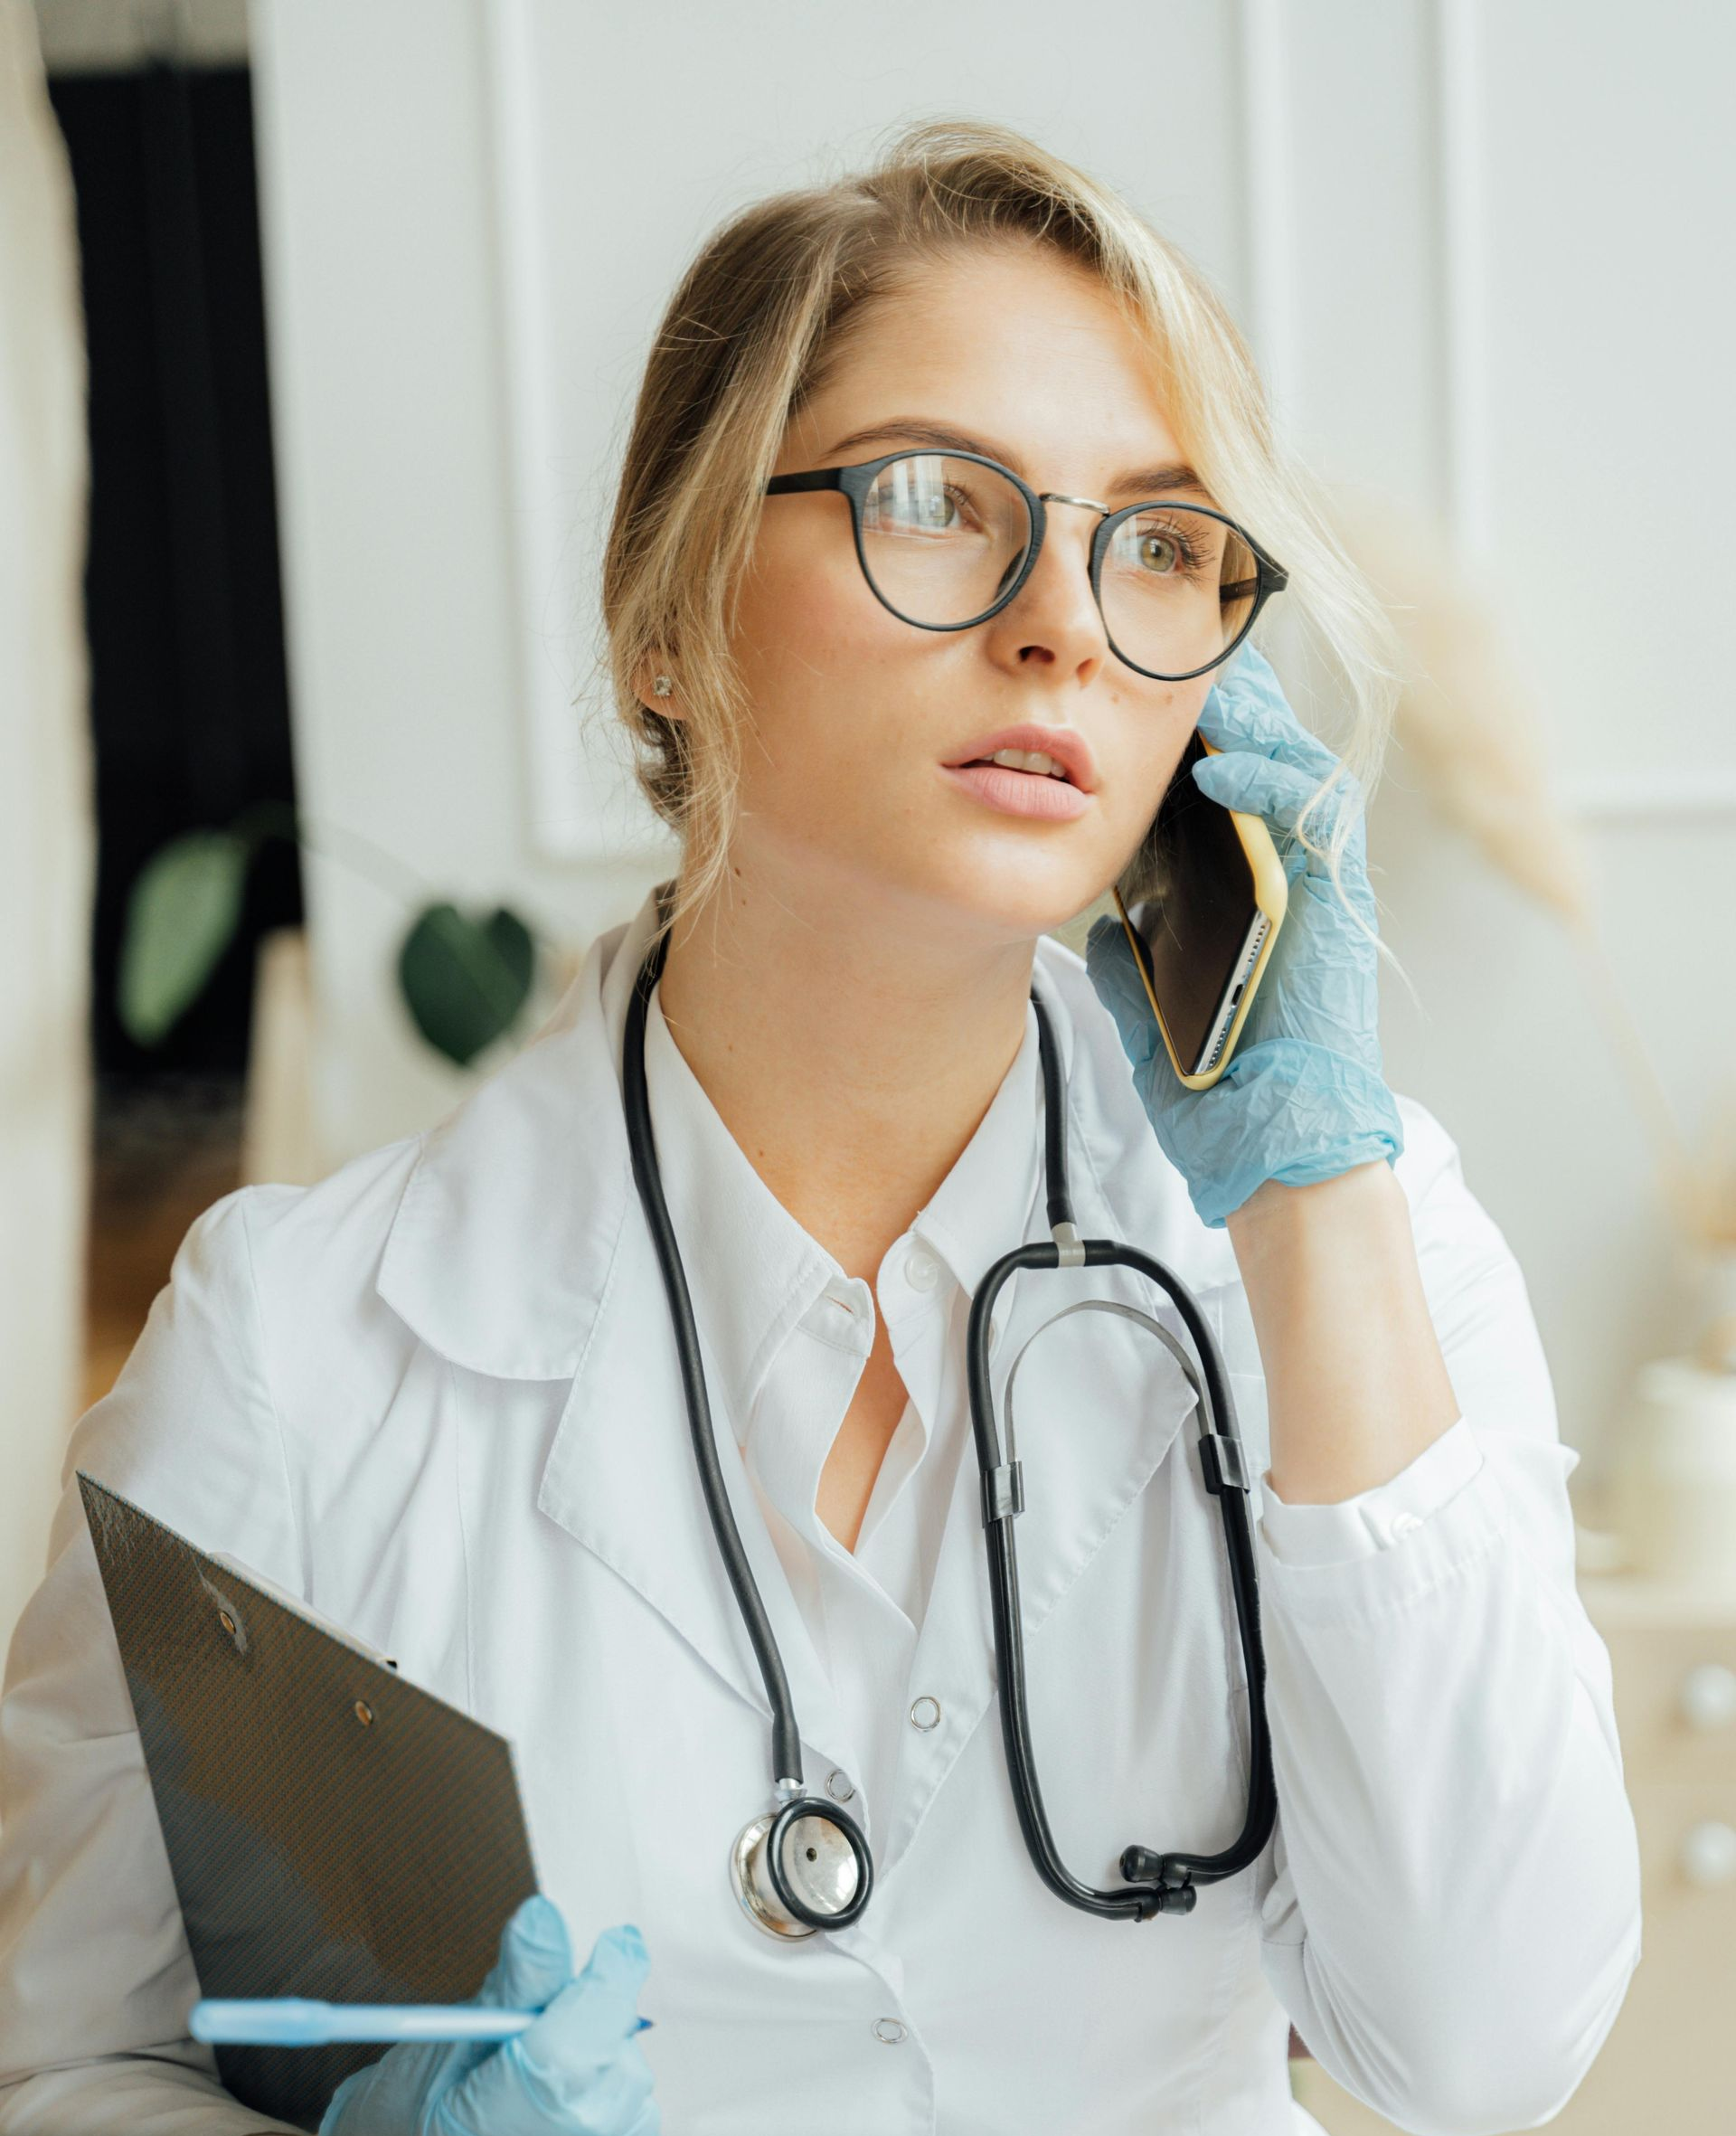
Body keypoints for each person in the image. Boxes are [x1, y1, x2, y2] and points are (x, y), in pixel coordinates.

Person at [0, 117, 1640, 2136]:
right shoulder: (305, 1358)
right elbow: (78, 2066)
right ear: (663, 620)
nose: (1063, 621)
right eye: (941, 501)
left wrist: (1310, 1210)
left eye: (1155, 542)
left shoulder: (1349, 1248)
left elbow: (1488, 2052)